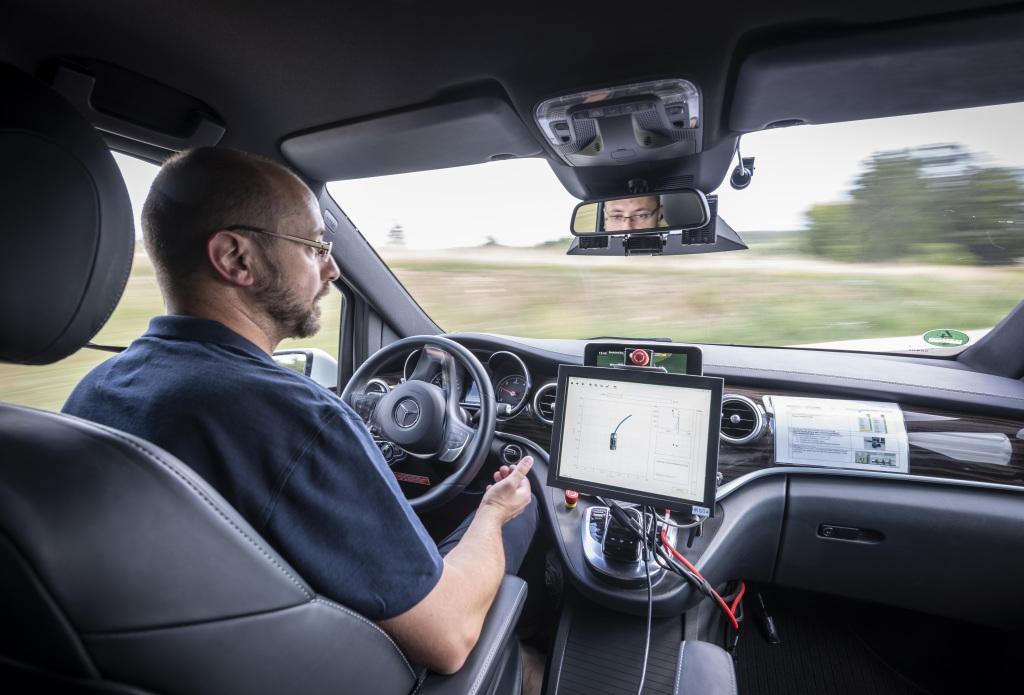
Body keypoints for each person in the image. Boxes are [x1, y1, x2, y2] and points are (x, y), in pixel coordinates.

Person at [62, 147, 537, 675]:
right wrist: (495, 512)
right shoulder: (296, 418)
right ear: (236, 258)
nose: (332, 269)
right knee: (520, 508)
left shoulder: (93, 391)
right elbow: (448, 637)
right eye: (314, 247)